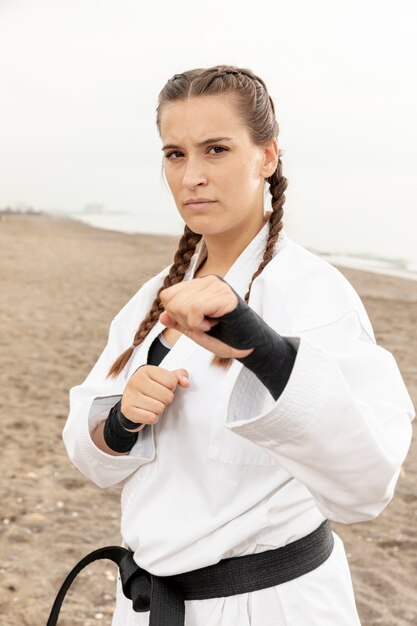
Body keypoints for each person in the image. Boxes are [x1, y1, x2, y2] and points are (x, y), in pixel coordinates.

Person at [57, 65, 414, 625]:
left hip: (268, 605)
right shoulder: (153, 296)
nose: (191, 175)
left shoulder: (315, 294)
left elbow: (368, 485)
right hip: (150, 602)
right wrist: (124, 419)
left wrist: (265, 351)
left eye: (216, 149)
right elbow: (89, 454)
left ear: (267, 156)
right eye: (175, 154)